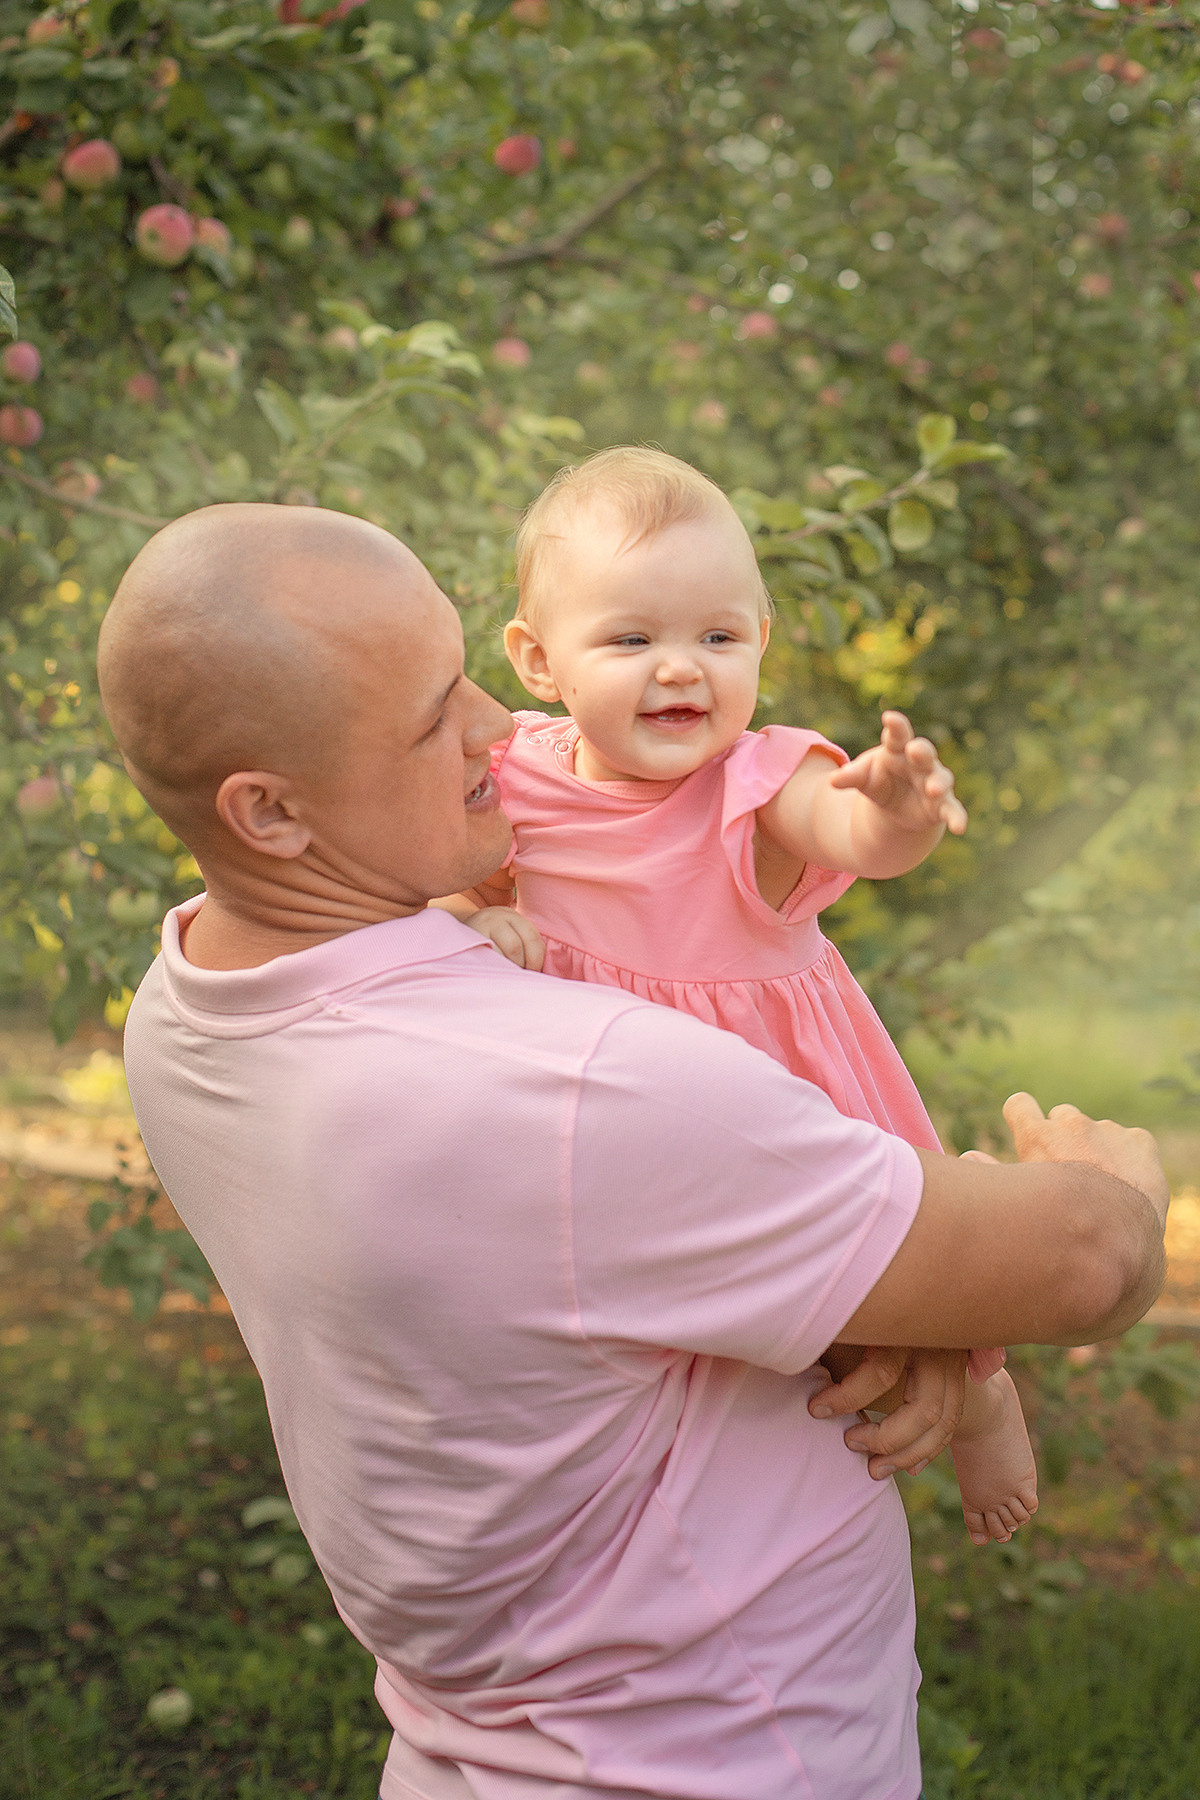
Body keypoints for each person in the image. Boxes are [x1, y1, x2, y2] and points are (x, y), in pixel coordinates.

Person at [99, 502, 1168, 1800]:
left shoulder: (187, 1005)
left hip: (469, 1742)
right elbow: (1081, 1262)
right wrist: (1116, 1186)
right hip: (722, 1757)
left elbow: (591, 1279)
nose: (498, 727)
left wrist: (884, 1304)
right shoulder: (576, 1087)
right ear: (270, 811)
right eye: (435, 715)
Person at [434, 447, 1029, 1548]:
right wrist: (472, 919)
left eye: (717, 637)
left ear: (760, 638)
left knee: (880, 1287)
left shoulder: (758, 780)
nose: (681, 669)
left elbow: (840, 827)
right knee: (687, 1317)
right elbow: (437, 878)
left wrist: (892, 814)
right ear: (539, 661)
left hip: (776, 1093)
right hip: (614, 1099)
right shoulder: (516, 775)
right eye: (631, 640)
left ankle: (981, 1392)